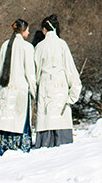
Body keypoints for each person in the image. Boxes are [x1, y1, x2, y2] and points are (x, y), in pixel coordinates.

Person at [0, 19, 36, 155]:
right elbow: (30, 73)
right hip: (20, 91)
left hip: (5, 89)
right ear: (23, 30)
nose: (29, 32)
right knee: (19, 121)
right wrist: (34, 91)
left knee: (5, 119)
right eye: (27, 30)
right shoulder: (27, 47)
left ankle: (3, 145)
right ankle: (20, 144)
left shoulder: (5, 45)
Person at [33, 14, 81, 148]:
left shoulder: (40, 46)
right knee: (61, 119)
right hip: (61, 87)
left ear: (44, 29)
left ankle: (44, 144)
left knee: (46, 118)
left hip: (45, 85)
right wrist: (73, 94)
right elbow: (70, 69)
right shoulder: (62, 44)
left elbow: (35, 72)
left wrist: (36, 86)